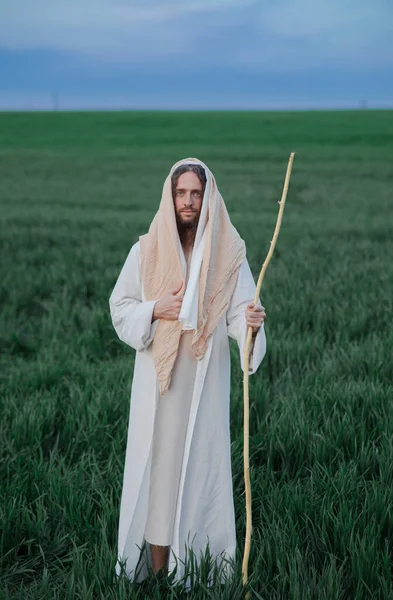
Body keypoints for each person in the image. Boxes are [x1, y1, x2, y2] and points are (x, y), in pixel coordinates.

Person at [109, 157, 267, 590]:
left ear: (208, 197)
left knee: (199, 470)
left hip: (203, 382)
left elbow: (238, 315)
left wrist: (250, 324)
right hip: (159, 386)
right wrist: (155, 308)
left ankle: (195, 572)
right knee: (158, 472)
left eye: (196, 193)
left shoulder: (230, 252)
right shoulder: (146, 250)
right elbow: (120, 309)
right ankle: (157, 573)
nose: (188, 202)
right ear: (170, 195)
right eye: (181, 193)